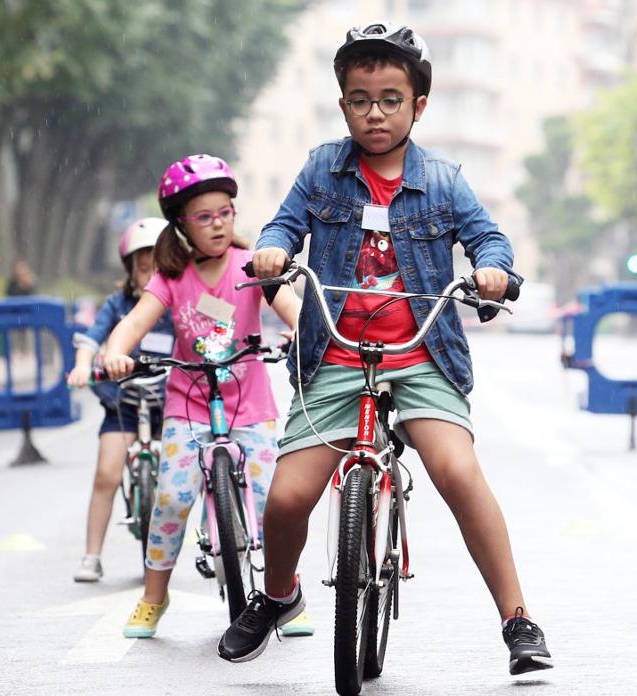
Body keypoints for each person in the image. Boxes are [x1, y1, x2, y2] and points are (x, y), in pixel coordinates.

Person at [217, 23, 554, 676]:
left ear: (417, 106)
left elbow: (489, 240)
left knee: (458, 472)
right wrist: (274, 249)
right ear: (342, 103)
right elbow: (284, 222)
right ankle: (279, 596)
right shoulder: (321, 168)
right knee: (287, 498)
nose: (375, 111)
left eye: (391, 99)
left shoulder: (444, 179)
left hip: (423, 356)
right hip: (339, 354)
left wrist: (492, 270)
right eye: (360, 98)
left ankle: (518, 618)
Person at [101, 155, 308, 639]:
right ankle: (155, 596)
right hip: (187, 406)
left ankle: (287, 592)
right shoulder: (171, 278)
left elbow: (292, 308)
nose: (217, 224)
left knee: (272, 502)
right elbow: (133, 323)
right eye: (204, 217)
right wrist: (115, 352)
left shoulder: (251, 266)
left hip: (249, 406)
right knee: (171, 498)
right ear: (181, 225)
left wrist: (305, 334)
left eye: (225, 212)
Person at [66, 218, 175, 582]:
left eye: (159, 267)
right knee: (106, 475)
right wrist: (83, 367)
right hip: (123, 403)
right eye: (144, 269)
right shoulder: (117, 304)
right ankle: (92, 555)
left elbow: (211, 326)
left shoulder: (180, 297)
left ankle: (216, 538)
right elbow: (91, 339)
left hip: (173, 402)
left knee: (203, 465)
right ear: (130, 270)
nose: (152, 276)